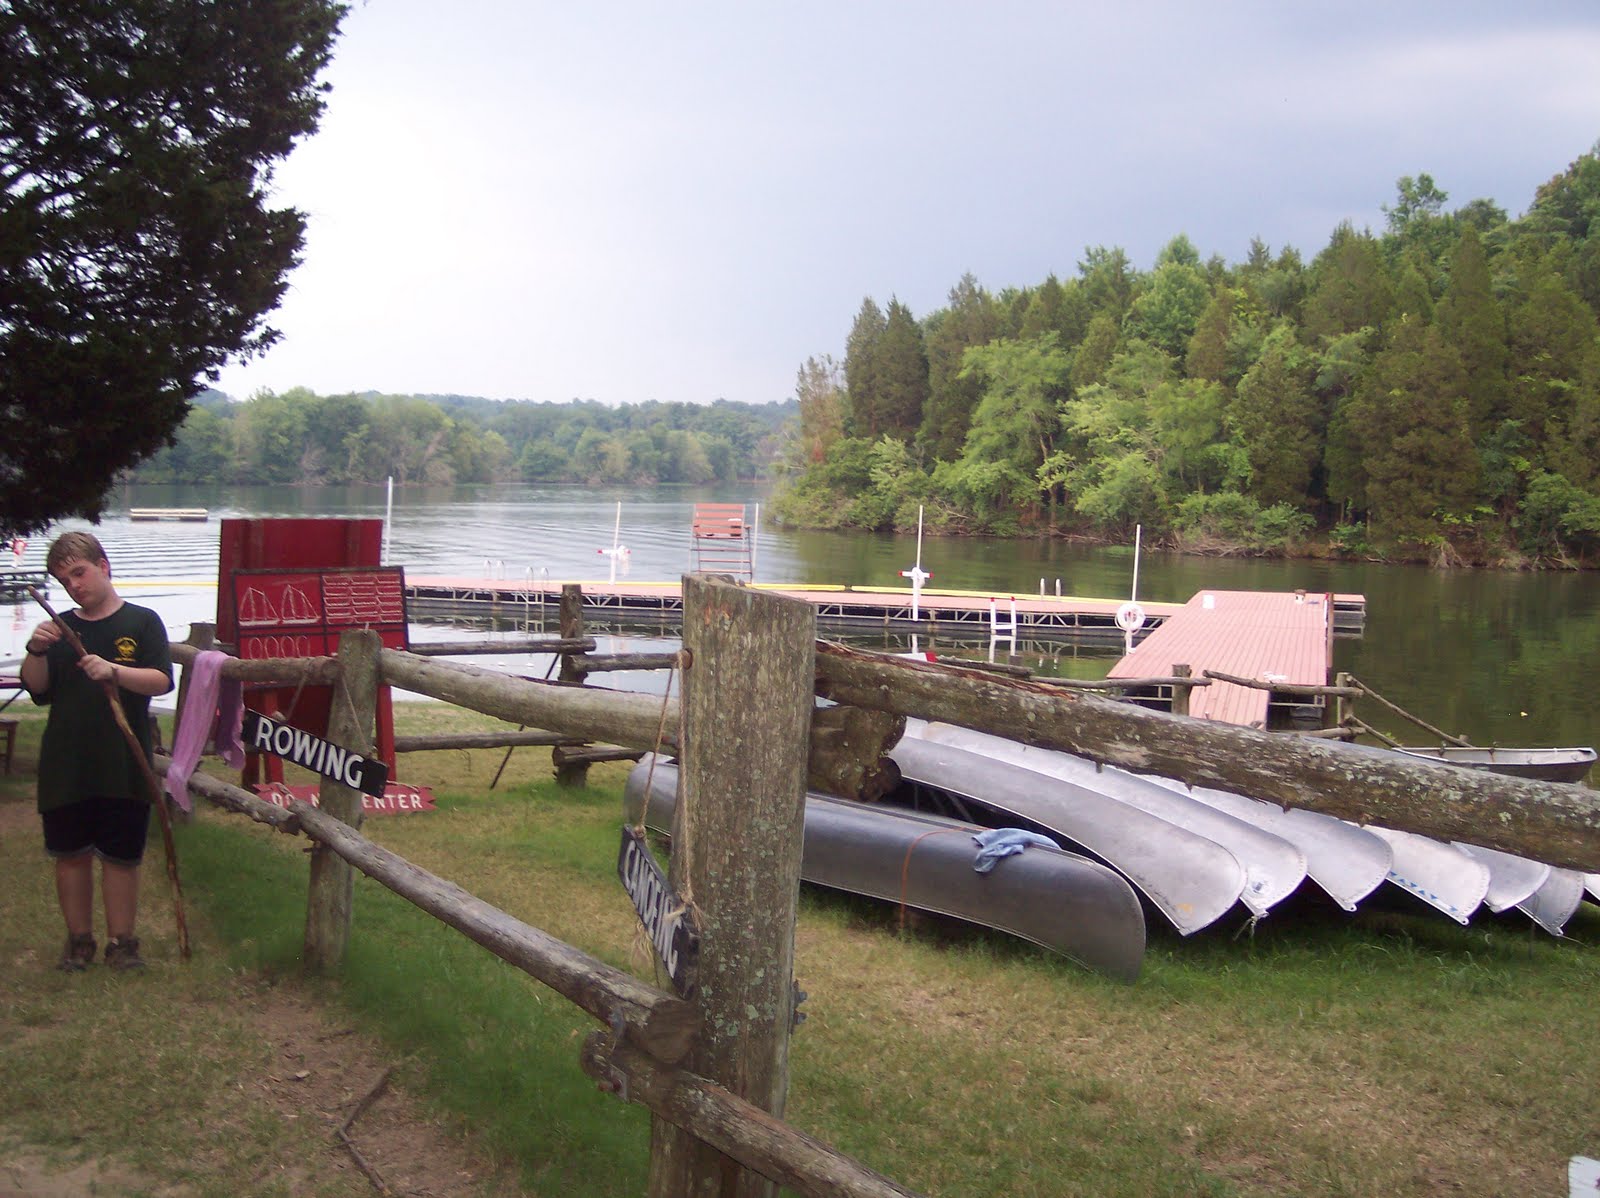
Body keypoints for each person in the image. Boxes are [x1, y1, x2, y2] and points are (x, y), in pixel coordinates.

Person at [19, 531, 173, 971]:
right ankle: (79, 941)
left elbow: (161, 681)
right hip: (67, 763)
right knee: (71, 854)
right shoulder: (62, 630)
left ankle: (123, 944)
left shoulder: (142, 622)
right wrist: (35, 649)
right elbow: (37, 687)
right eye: (65, 580)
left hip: (123, 762)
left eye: (80, 572)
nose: (75, 585)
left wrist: (115, 672)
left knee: (122, 856)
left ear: (104, 566)